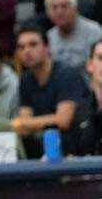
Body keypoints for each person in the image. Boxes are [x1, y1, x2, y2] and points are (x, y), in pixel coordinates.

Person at [15, 24, 89, 157]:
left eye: (33, 44)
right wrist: (23, 123)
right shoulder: (25, 80)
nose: (27, 51)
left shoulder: (67, 74)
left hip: (77, 147)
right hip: (42, 148)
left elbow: (63, 120)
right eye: (21, 47)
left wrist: (22, 123)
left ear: (47, 47)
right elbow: (24, 124)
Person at [45, 0, 102, 70]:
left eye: (64, 6)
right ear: (48, 13)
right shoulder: (48, 37)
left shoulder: (94, 31)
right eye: (54, 7)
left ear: (75, 8)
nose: (59, 12)